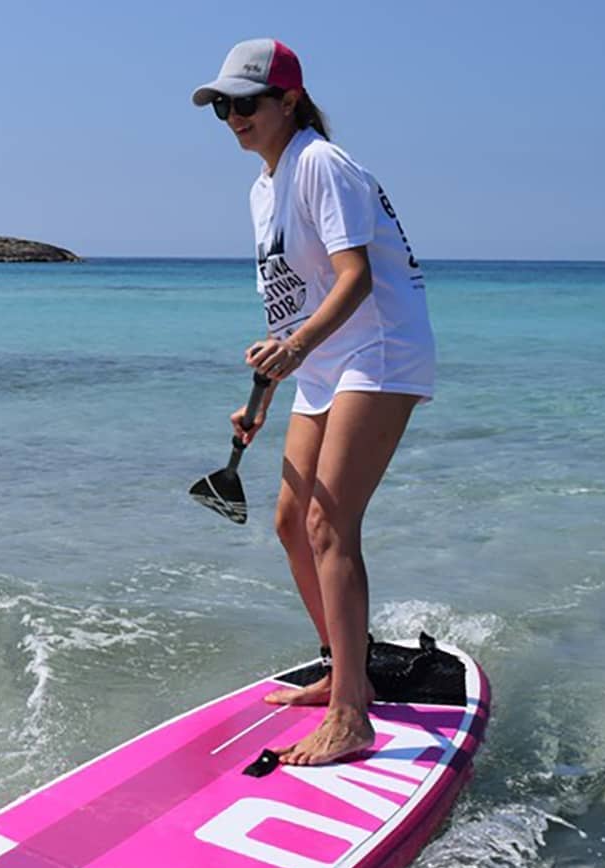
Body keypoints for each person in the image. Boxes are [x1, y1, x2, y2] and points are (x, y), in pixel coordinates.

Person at [192, 39, 436, 766]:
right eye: (222, 106)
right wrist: (265, 390)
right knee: (290, 521)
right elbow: (287, 305)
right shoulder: (262, 188)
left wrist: (297, 350)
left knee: (332, 523)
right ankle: (342, 664)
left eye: (245, 102)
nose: (232, 117)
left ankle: (352, 714)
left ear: (287, 100)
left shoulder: (319, 163)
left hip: (381, 348)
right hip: (324, 360)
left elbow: (355, 278)